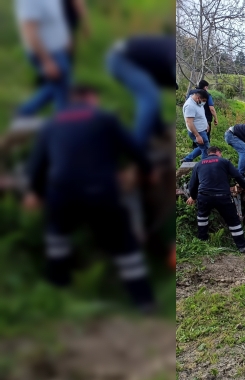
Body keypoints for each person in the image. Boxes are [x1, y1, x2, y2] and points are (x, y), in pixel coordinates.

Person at [23, 85, 156, 312]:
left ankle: (56, 290)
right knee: (124, 244)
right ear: (91, 98)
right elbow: (133, 149)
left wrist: (35, 192)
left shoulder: (52, 123)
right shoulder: (104, 119)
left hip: (62, 192)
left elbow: (37, 164)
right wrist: (147, 170)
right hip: (101, 191)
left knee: (57, 239)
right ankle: (143, 300)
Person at [106, 35, 176, 149]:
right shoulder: (173, 50)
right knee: (150, 96)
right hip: (121, 58)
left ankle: (159, 133)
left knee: (153, 96)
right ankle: (137, 149)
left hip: (136, 62)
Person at [11, 0, 72, 128]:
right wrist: (46, 61)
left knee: (59, 87)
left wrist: (66, 38)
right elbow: (29, 31)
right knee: (63, 95)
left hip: (59, 51)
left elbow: (56, 20)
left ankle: (24, 112)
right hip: (46, 53)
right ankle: (65, 129)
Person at [186, 146, 245, 253]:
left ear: (208, 154)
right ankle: (242, 247)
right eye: (220, 154)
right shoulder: (224, 162)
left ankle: (202, 243)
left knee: (202, 218)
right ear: (218, 152)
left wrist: (193, 197)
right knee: (233, 221)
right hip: (222, 197)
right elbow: (237, 175)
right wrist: (244, 186)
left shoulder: (199, 164)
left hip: (204, 196)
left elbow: (192, 185)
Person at [181, 90, 211, 162]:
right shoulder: (190, 106)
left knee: (202, 147)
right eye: (203, 100)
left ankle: (187, 159)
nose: (204, 102)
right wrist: (197, 136)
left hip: (202, 130)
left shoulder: (197, 103)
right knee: (206, 150)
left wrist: (206, 124)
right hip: (198, 132)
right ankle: (204, 167)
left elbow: (201, 115)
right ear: (198, 98)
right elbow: (189, 122)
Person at [188, 80, 218, 148]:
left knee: (195, 131)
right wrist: (216, 118)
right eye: (207, 87)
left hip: (192, 117)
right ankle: (206, 150)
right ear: (205, 87)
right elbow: (211, 108)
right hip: (205, 118)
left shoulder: (191, 93)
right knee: (205, 138)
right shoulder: (207, 95)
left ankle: (195, 148)